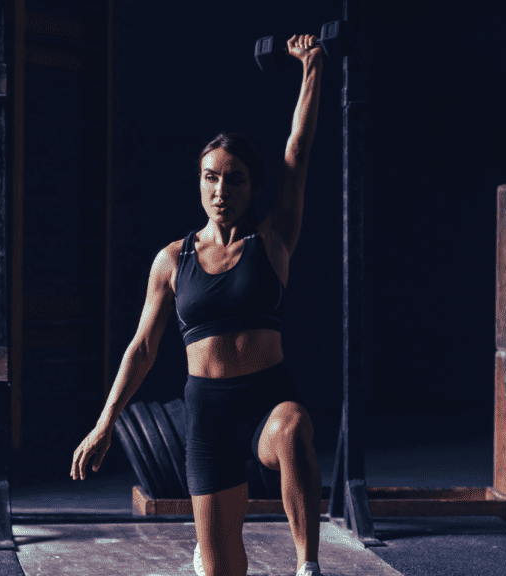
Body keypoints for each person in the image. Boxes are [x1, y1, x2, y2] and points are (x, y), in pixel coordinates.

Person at [71, 33, 325, 576]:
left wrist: (312, 67)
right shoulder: (171, 259)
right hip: (206, 418)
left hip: (265, 404)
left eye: (234, 179)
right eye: (211, 177)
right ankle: (208, 554)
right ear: (200, 183)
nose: (220, 189)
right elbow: (142, 347)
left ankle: (308, 567)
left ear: (252, 186)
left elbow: (297, 153)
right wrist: (104, 422)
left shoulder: (273, 239)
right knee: (221, 570)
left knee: (295, 425)